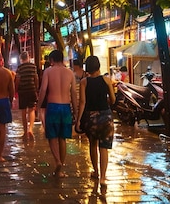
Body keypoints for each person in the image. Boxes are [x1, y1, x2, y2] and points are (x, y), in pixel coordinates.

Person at [76, 56, 115, 192]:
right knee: (103, 147)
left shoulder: (84, 82)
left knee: (93, 144)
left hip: (91, 118)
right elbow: (113, 99)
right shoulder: (107, 80)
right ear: (98, 67)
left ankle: (96, 171)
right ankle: (103, 177)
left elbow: (82, 103)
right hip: (106, 117)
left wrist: (78, 120)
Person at [37, 49, 78, 178]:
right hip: (66, 107)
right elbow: (74, 94)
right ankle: (60, 170)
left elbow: (43, 90)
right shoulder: (70, 73)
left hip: (53, 106)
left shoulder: (48, 71)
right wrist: (76, 112)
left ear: (52, 60)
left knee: (52, 137)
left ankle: (57, 161)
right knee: (63, 138)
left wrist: (38, 106)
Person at [15, 52, 39, 141]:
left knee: (23, 112)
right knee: (32, 109)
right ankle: (31, 129)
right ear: (28, 57)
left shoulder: (20, 68)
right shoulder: (33, 67)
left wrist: (16, 90)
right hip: (31, 89)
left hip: (23, 91)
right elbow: (36, 78)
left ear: (21, 59)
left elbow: (18, 79)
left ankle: (25, 132)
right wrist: (36, 89)